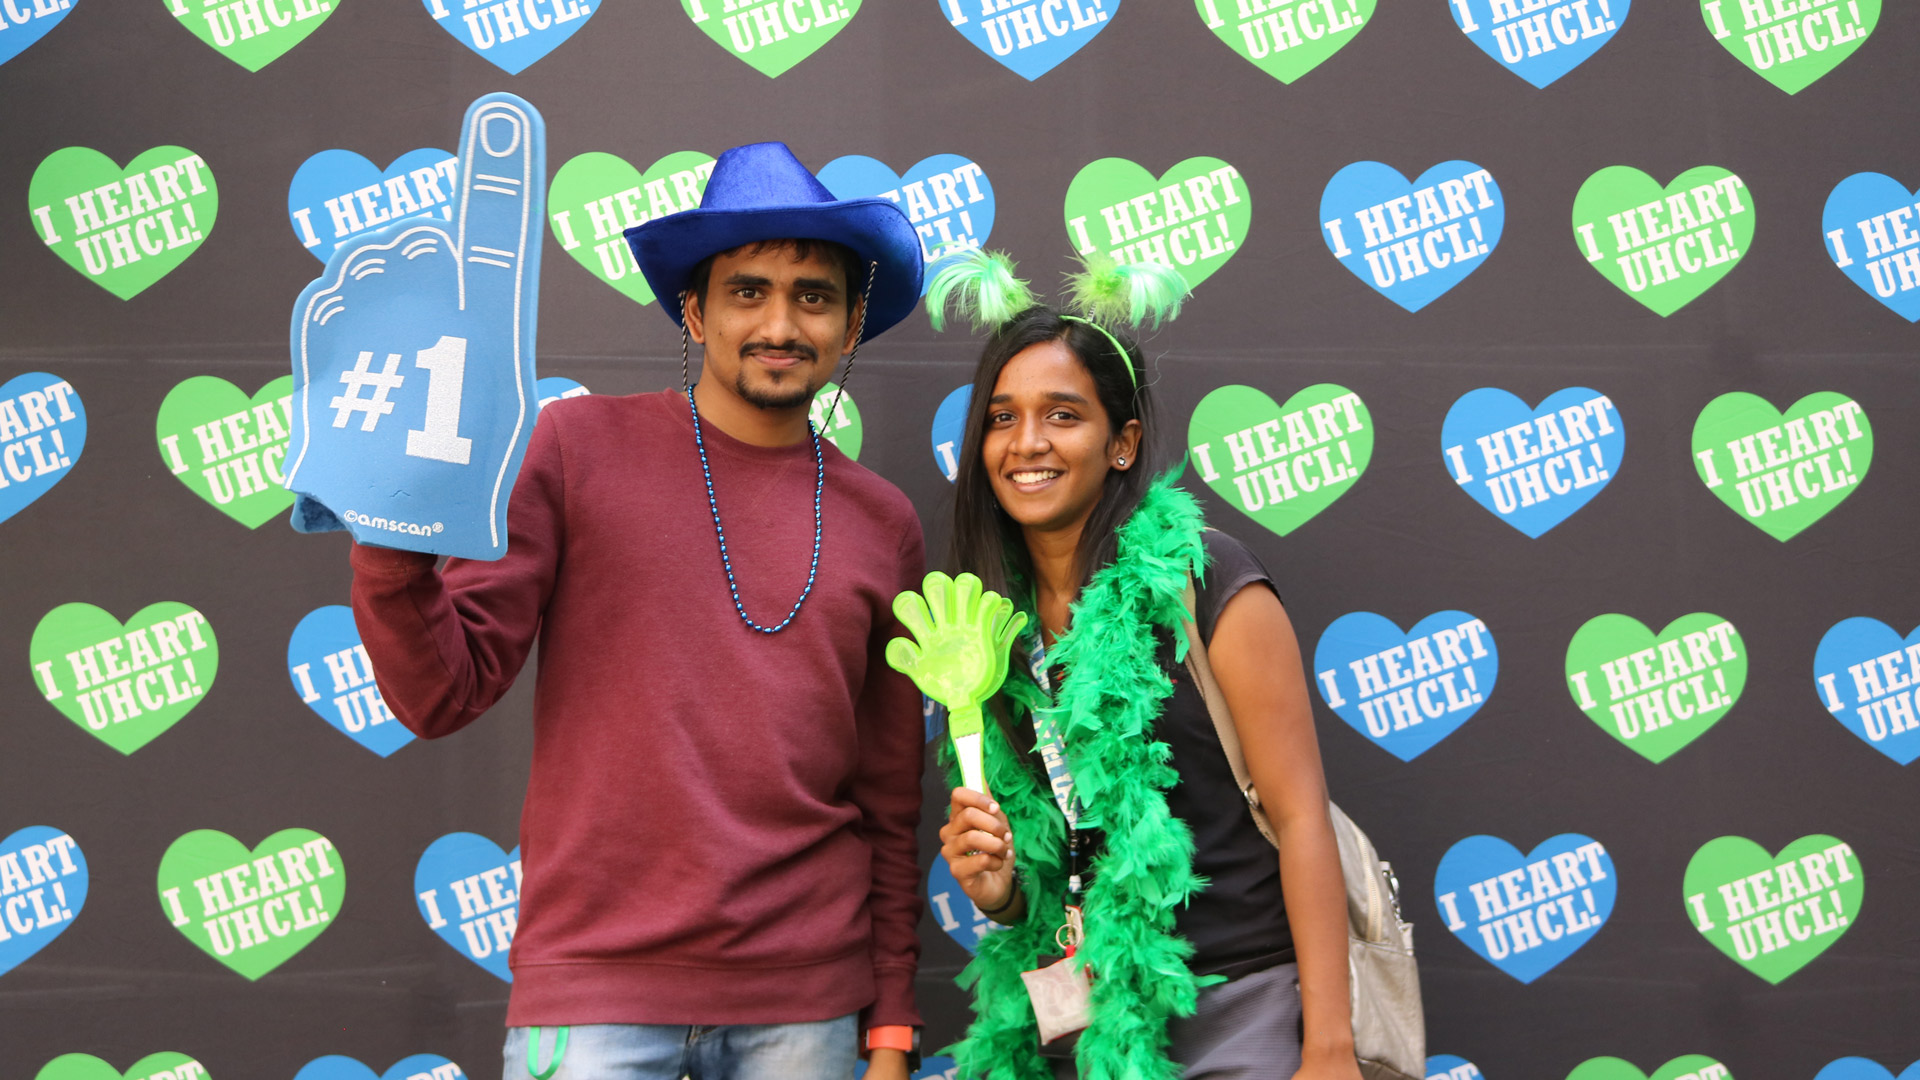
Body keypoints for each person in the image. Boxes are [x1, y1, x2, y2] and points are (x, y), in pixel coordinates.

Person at [349, 142, 928, 1080]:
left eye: (813, 296)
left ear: (851, 323)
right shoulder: (575, 449)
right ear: (695, 312)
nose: (780, 323)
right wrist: (392, 540)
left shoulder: (883, 522)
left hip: (807, 1011)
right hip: (596, 1002)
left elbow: (889, 802)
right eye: (748, 291)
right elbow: (440, 694)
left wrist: (892, 1023)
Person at [930, 254, 1365, 1079]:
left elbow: (1303, 819)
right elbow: (1059, 866)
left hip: (1243, 1009)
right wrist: (1001, 890)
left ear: (1122, 442)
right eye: (1002, 417)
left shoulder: (1201, 581)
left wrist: (1328, 1048)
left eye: (1063, 415)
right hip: (1088, 1027)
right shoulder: (992, 631)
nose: (1027, 443)